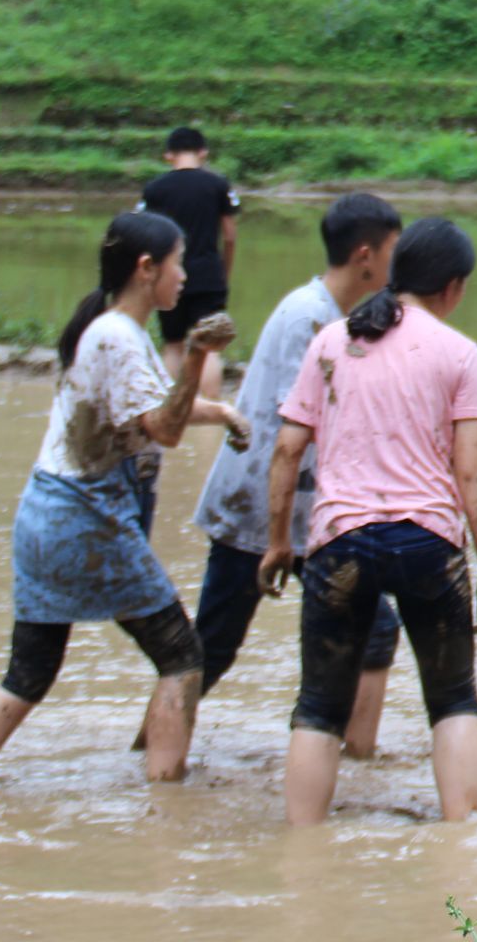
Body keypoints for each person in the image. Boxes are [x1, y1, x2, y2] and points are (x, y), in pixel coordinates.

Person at [0, 212, 242, 788]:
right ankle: (166, 805)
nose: (184, 275)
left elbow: (158, 408)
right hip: (87, 520)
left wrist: (224, 412)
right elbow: (164, 428)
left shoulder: (112, 330)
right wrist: (198, 356)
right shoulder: (118, 336)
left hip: (46, 514)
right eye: (178, 263)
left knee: (27, 676)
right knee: (182, 656)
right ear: (146, 268)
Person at [259, 218, 477, 826]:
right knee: (453, 699)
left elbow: (286, 450)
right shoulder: (459, 353)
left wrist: (278, 543)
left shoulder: (332, 342)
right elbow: (471, 475)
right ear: (453, 287)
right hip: (428, 542)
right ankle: (459, 839)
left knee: (319, 707)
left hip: (340, 541)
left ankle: (303, 847)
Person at [185, 193, 404, 757]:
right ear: (365, 256)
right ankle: (156, 753)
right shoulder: (308, 317)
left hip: (305, 516)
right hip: (261, 512)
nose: (397, 262)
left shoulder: (334, 316)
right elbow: (295, 434)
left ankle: (354, 756)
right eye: (393, 250)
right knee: (213, 648)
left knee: (376, 631)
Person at [137, 126, 242, 404]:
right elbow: (230, 236)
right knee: (209, 347)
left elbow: (143, 234)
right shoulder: (218, 185)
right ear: (203, 153)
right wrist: (223, 273)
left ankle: (170, 410)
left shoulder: (155, 189)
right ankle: (211, 409)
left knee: (173, 344)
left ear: (168, 155)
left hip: (166, 277)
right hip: (208, 275)